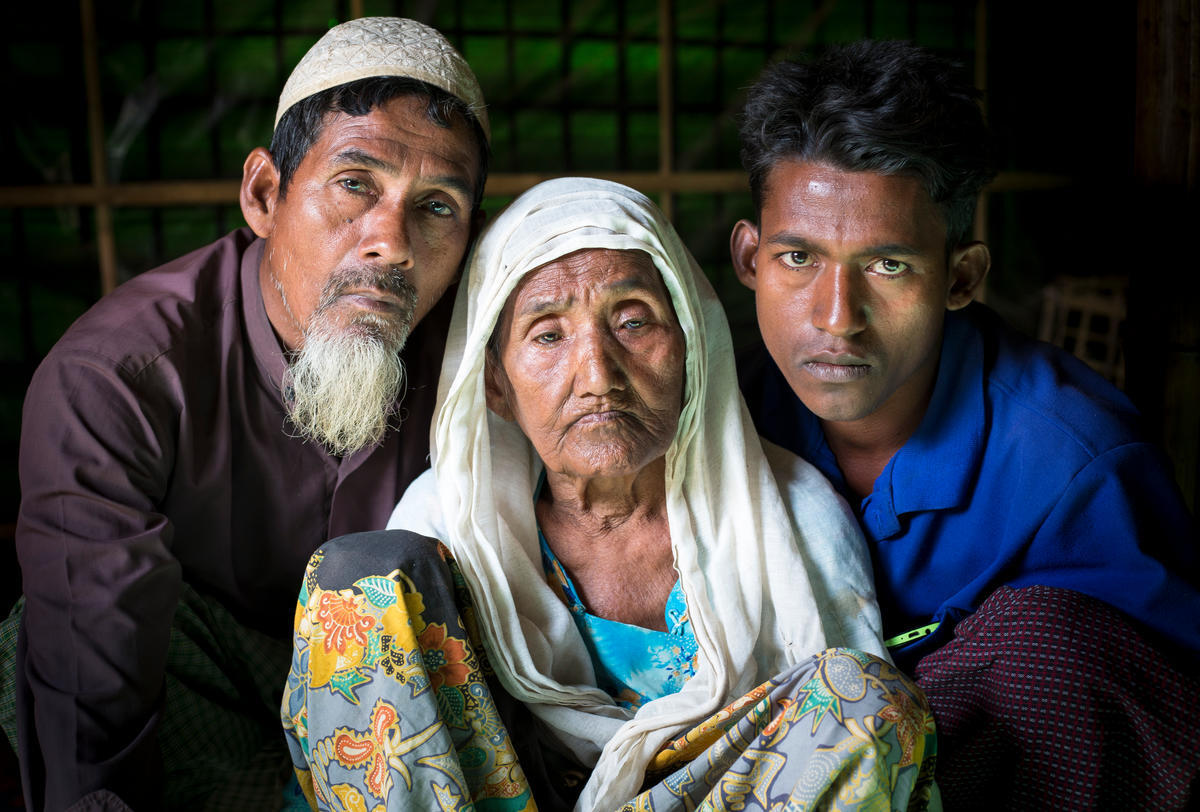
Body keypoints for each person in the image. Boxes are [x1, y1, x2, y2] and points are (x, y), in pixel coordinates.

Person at [280, 178, 938, 811]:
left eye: (632, 322)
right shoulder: (445, 527)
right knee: (355, 580)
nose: (597, 374)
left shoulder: (789, 511)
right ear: (496, 384)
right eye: (548, 335)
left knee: (867, 701)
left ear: (690, 347)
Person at [3, 17, 490, 811]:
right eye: (355, 183)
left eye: (436, 207)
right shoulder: (117, 375)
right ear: (266, 194)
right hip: (212, 708)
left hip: (408, 719)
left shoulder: (489, 358)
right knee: (32, 633)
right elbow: (95, 679)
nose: (391, 244)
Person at [731, 40, 1200, 807]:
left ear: (960, 277)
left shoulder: (1079, 468)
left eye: (889, 266)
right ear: (750, 258)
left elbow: (1163, 723)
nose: (835, 319)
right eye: (798, 260)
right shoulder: (724, 422)